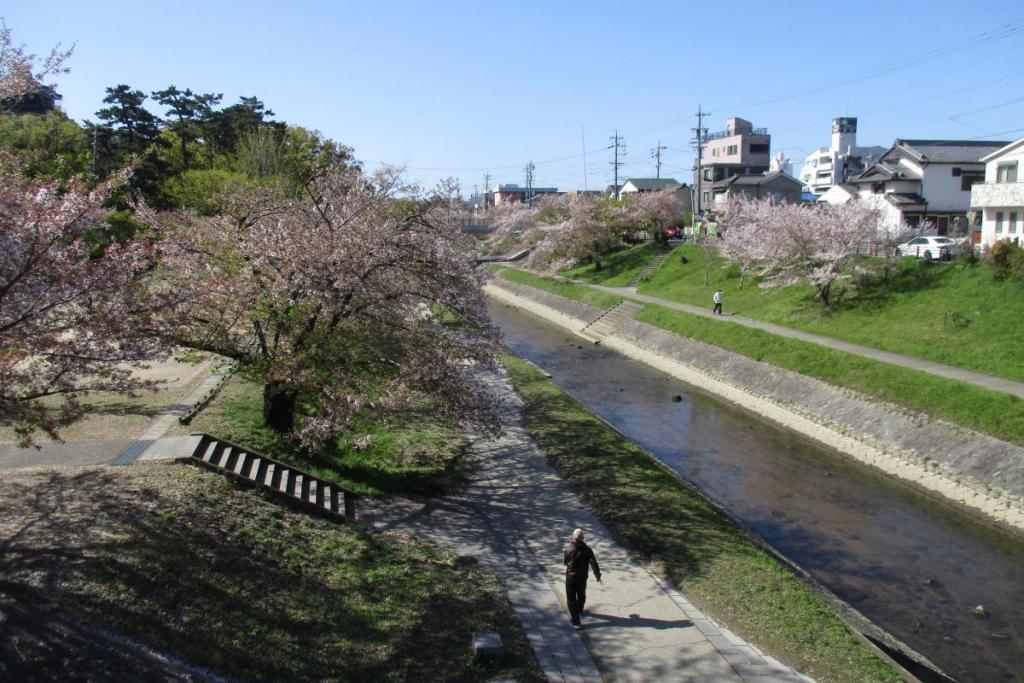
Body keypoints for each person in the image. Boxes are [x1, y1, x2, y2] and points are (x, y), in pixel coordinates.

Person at [564, 528, 602, 629]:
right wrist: (597, 575)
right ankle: (580, 610)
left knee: (571, 599)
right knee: (581, 594)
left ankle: (576, 622)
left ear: (572, 537)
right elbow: (593, 563)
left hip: (571, 578)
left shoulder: (568, 549)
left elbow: (565, 562)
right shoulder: (588, 550)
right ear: (583, 538)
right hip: (582, 577)